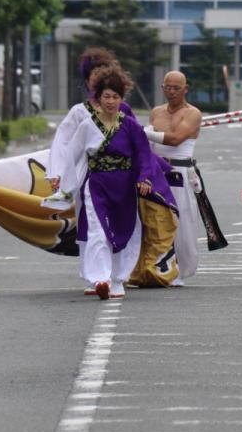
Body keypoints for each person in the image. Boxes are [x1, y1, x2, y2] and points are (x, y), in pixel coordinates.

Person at [60, 64, 174, 299]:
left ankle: (118, 279)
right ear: (98, 98)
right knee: (97, 231)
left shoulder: (130, 125)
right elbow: (72, 156)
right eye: (106, 96)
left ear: (122, 98)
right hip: (97, 184)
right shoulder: (87, 125)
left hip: (125, 185)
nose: (111, 101)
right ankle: (100, 278)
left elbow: (143, 154)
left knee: (127, 231)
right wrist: (64, 186)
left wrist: (144, 178)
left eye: (115, 96)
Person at [143, 70, 207, 285]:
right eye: (167, 87)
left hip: (179, 172)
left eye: (176, 88)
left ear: (185, 89)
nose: (170, 92)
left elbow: (176, 139)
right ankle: (155, 267)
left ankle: (178, 270)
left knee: (181, 222)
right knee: (154, 220)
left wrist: (146, 132)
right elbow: (149, 147)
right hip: (156, 172)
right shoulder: (156, 112)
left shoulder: (193, 113)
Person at [42, 47, 125, 210]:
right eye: (95, 75)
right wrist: (57, 173)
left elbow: (136, 143)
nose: (99, 79)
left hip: (118, 176)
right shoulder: (79, 112)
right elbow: (62, 143)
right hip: (86, 175)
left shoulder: (123, 110)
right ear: (88, 81)